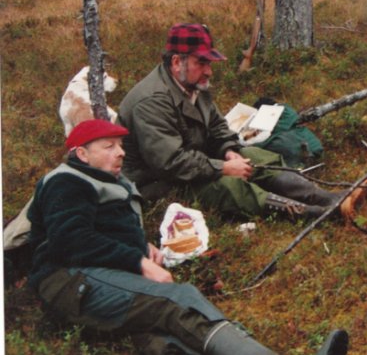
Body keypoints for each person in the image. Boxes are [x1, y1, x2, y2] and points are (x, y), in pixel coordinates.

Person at [27, 119, 349, 355]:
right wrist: (137, 261)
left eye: (121, 145)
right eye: (109, 146)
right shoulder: (66, 182)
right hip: (69, 280)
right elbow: (71, 240)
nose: (121, 153)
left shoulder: (106, 180)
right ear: (82, 154)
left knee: (161, 340)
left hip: (91, 280)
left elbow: (101, 230)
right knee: (179, 301)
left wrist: (142, 246)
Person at [118, 23, 341, 219]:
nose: (209, 71)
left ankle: (325, 197)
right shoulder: (151, 102)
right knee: (229, 186)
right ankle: (316, 213)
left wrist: (229, 149)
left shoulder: (193, 83)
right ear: (177, 62)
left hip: (197, 160)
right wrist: (223, 168)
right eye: (202, 62)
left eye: (209, 63)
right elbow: (170, 163)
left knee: (255, 157)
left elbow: (216, 125)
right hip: (159, 183)